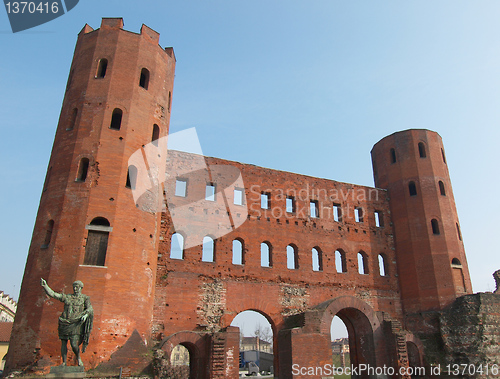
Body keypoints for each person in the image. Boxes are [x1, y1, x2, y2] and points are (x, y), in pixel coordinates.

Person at [40, 278, 93, 366]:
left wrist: (85, 315)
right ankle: (64, 362)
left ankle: (78, 358)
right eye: (74, 287)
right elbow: (53, 294)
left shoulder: (84, 298)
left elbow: (90, 308)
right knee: (63, 342)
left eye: (77, 287)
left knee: (73, 344)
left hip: (76, 323)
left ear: (80, 288)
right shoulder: (67, 297)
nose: (75, 289)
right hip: (64, 322)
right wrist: (45, 286)